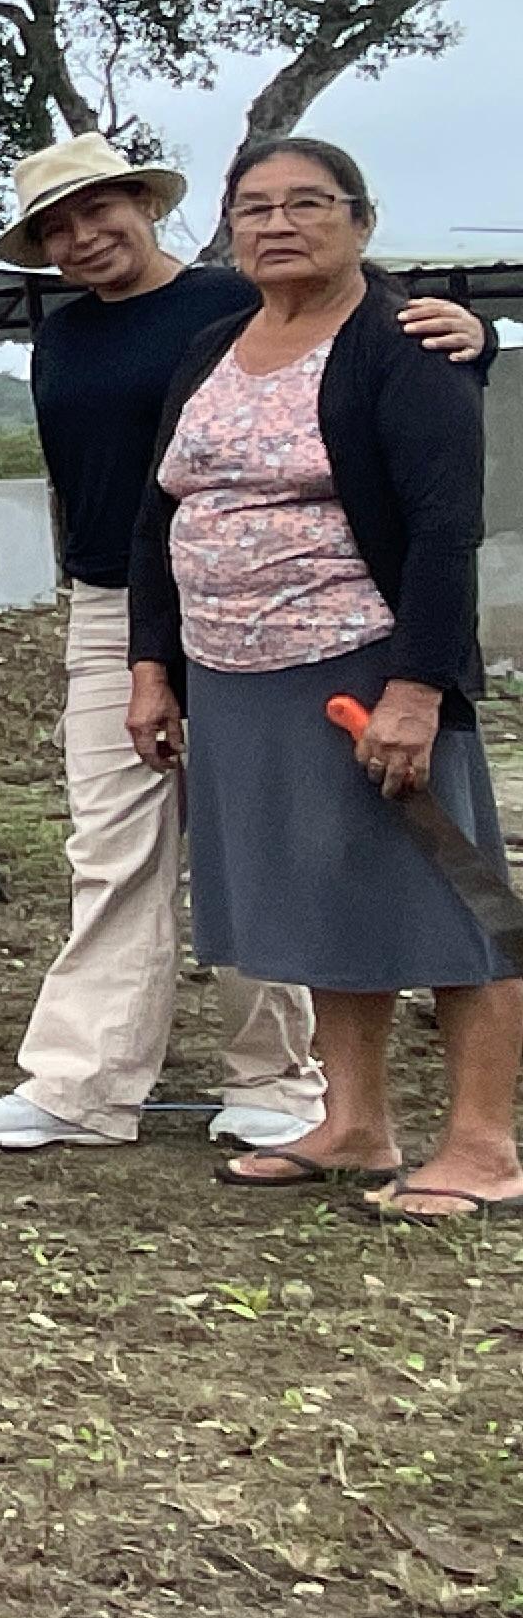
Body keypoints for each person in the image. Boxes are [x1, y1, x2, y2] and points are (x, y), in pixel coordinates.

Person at [0, 136, 482, 1154]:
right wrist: (143, 646)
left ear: (146, 207)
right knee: (112, 840)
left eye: (99, 210)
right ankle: (83, 1081)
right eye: (57, 228)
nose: (83, 237)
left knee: (265, 842)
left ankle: (276, 1077)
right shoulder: (64, 338)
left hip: (302, 614)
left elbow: (397, 354)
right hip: (126, 604)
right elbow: (128, 490)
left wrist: (480, 338)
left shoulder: (234, 302)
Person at [137, 139, 514, 1219]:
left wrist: (417, 689)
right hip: (237, 675)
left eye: (308, 203)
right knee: (323, 895)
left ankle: (485, 1146)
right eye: (254, 207)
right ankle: (354, 1125)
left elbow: (444, 529)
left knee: (458, 901)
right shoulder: (214, 344)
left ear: (361, 221)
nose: (279, 223)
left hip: (365, 666)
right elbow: (161, 512)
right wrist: (153, 665)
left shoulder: (406, 343)